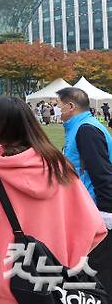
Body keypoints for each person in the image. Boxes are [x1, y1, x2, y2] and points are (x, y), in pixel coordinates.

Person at [0, 96, 107, 304]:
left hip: (5, 281)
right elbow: (94, 227)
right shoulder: (57, 163)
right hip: (54, 280)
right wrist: (68, 261)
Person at [56, 87, 112, 294]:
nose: (56, 110)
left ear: (70, 106)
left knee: (96, 274)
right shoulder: (77, 127)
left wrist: (106, 214)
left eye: (58, 105)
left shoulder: (86, 130)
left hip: (95, 214)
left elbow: (103, 173)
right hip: (83, 210)